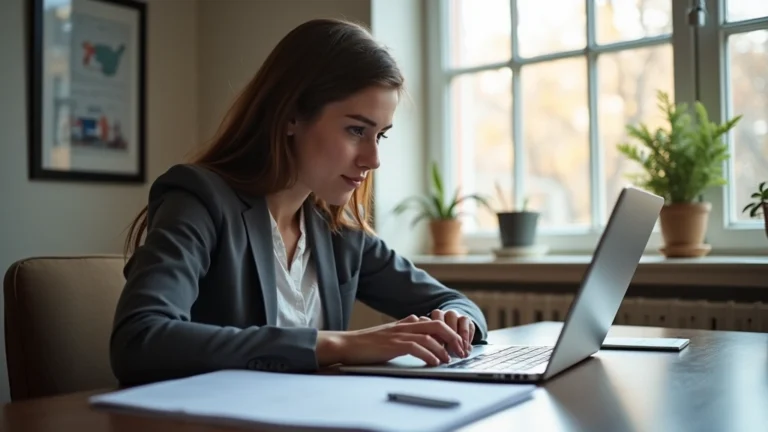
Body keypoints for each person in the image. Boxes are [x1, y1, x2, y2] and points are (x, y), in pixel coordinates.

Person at [110, 18, 488, 386]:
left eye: (380, 136)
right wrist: (341, 344)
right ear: (291, 116)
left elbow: (455, 302)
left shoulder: (341, 234)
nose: (373, 160)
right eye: (357, 130)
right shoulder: (200, 200)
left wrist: (455, 321)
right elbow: (141, 340)